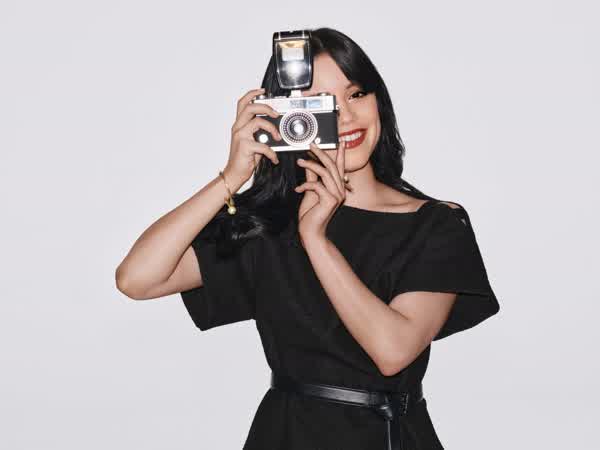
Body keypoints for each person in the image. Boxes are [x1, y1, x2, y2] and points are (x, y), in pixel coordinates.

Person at [116, 27, 500, 450]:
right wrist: (233, 175)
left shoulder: (434, 224)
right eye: (321, 104)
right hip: (286, 434)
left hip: (387, 437)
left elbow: (392, 351)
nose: (346, 117)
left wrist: (316, 239)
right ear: (286, 116)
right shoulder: (268, 225)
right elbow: (137, 279)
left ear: (379, 101)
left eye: (357, 94)